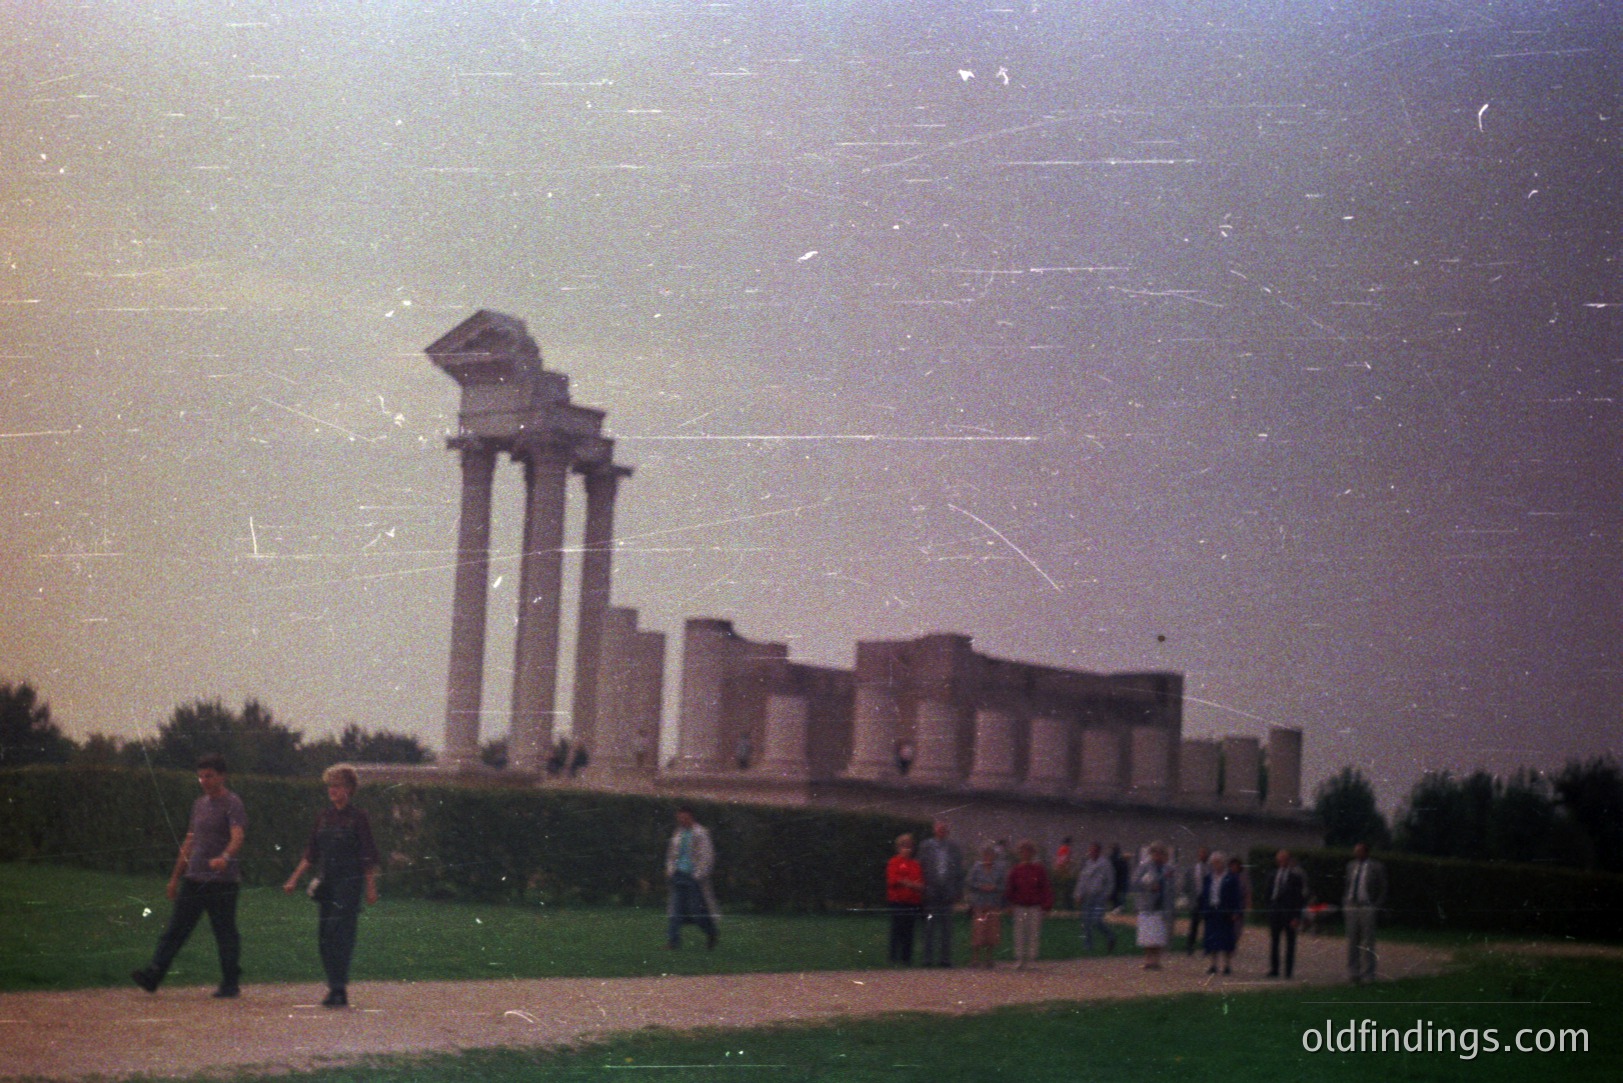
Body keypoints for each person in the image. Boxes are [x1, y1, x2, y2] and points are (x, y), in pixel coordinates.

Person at [132, 753, 247, 998]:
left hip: (222, 881)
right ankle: (154, 975)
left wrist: (224, 858)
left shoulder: (232, 803)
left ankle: (230, 982)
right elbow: (189, 841)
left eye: (209, 776)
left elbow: (238, 836)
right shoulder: (199, 805)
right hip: (194, 878)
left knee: (224, 932)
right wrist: (175, 877)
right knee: (176, 929)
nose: (204, 780)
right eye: (201, 776)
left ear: (221, 776)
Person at [281, 763, 380, 1008]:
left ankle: (338, 989)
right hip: (327, 883)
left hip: (349, 883)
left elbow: (368, 854)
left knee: (340, 934)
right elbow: (311, 853)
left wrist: (370, 887)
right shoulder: (323, 817)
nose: (332, 790)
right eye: (330, 786)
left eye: (337, 786)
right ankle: (335, 986)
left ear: (349, 788)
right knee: (324, 937)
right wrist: (294, 879)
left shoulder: (359, 818)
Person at [665, 806, 719, 949]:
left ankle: (711, 933)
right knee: (675, 911)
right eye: (679, 817)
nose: (681, 820)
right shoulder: (678, 833)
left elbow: (707, 856)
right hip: (679, 875)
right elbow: (671, 854)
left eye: (684, 817)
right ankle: (673, 942)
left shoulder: (701, 833)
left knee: (697, 911)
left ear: (691, 817)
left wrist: (698, 875)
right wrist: (671, 871)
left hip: (694, 878)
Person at [916, 819, 965, 967]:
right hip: (931, 890)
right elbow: (920, 866)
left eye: (944, 828)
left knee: (946, 927)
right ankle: (927, 959)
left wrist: (958, 890)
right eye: (939, 828)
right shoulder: (926, 846)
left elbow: (958, 871)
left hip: (948, 891)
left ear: (947, 831)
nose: (941, 830)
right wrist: (922, 887)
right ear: (934, 829)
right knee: (930, 926)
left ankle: (945, 959)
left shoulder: (954, 848)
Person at [1005, 840, 1054, 969]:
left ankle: (1032, 959)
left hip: (1035, 906)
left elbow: (1045, 888)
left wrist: (1047, 905)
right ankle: (1020, 959)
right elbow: (1011, 888)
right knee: (1019, 933)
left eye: (1028, 851)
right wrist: (1009, 903)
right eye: (1023, 851)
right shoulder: (1015, 870)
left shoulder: (1039, 869)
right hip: (1020, 906)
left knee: (1033, 932)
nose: (1025, 853)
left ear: (1033, 853)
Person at [1343, 841, 1388, 982]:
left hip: (1367, 905)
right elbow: (1347, 884)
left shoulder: (1376, 867)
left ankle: (1368, 974)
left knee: (1368, 941)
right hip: (1352, 905)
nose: (1357, 853)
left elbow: (1383, 887)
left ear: (1366, 852)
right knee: (1352, 941)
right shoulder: (1351, 866)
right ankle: (1353, 972)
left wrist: (1376, 905)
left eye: (1359, 851)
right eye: (1355, 851)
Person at [1133, 841, 1177, 970]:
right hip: (1147, 905)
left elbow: (1176, 886)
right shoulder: (1144, 866)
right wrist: (1149, 885)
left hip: (1163, 905)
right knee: (1147, 934)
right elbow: (1134, 882)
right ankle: (1148, 960)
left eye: (1161, 853)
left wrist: (1169, 880)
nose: (1158, 856)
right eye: (1155, 853)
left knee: (1159, 934)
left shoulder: (1169, 868)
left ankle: (1157, 961)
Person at [1266, 849, 1309, 979]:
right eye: (1279, 859)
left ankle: (1288, 971)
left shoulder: (1295, 877)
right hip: (1275, 911)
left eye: (1284, 859)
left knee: (1290, 942)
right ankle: (1274, 969)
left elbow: (1299, 898)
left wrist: (1296, 917)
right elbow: (1268, 893)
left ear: (1288, 860)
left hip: (1289, 912)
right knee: (1274, 941)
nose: (1281, 861)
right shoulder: (1272, 875)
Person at [1199, 852, 1242, 975]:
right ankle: (1213, 964)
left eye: (1218, 862)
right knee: (1212, 939)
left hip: (1225, 912)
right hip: (1212, 911)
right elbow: (1204, 895)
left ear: (1223, 863)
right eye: (1213, 863)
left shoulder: (1231, 878)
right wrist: (1204, 909)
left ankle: (1227, 965)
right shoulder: (1208, 878)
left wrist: (1236, 911)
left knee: (1226, 939)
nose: (1215, 865)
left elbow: (1236, 896)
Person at [885, 833, 925, 964]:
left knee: (909, 930)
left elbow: (920, 883)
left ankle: (906, 958)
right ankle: (893, 957)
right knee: (897, 929)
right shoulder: (894, 862)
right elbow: (893, 880)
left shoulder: (915, 864)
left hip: (912, 902)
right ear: (899, 848)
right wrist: (908, 883)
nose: (907, 849)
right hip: (898, 901)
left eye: (909, 847)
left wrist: (909, 883)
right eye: (904, 846)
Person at [964, 844, 1006, 968]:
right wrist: (980, 886)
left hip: (993, 904)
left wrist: (995, 887)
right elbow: (969, 882)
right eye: (986, 854)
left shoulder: (999, 869)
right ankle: (975, 958)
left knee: (992, 931)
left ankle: (989, 959)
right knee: (978, 931)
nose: (988, 857)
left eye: (991, 854)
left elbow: (1003, 885)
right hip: (979, 903)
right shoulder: (976, 867)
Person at [1072, 842, 1116, 953]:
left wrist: (1107, 894)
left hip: (1099, 897)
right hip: (1087, 896)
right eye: (1090, 850)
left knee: (1096, 921)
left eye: (1094, 850)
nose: (1091, 852)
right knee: (1086, 922)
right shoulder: (1087, 864)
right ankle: (1088, 946)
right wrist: (1078, 894)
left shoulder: (1105, 864)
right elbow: (1082, 880)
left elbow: (1110, 881)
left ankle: (1110, 936)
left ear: (1099, 851)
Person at [1182, 845, 1211, 954]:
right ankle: (1190, 946)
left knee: (1208, 924)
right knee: (1194, 924)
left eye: (1205, 853)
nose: (1203, 855)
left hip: (1207, 900)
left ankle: (1206, 946)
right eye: (1201, 853)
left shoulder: (1210, 869)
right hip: (1196, 899)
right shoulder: (1193, 869)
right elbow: (1187, 884)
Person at [1109, 843, 1129, 910]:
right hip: (1120, 880)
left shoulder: (1112, 858)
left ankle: (1117, 906)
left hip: (1116, 880)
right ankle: (1119, 906)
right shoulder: (1121, 858)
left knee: (1117, 896)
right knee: (1119, 896)